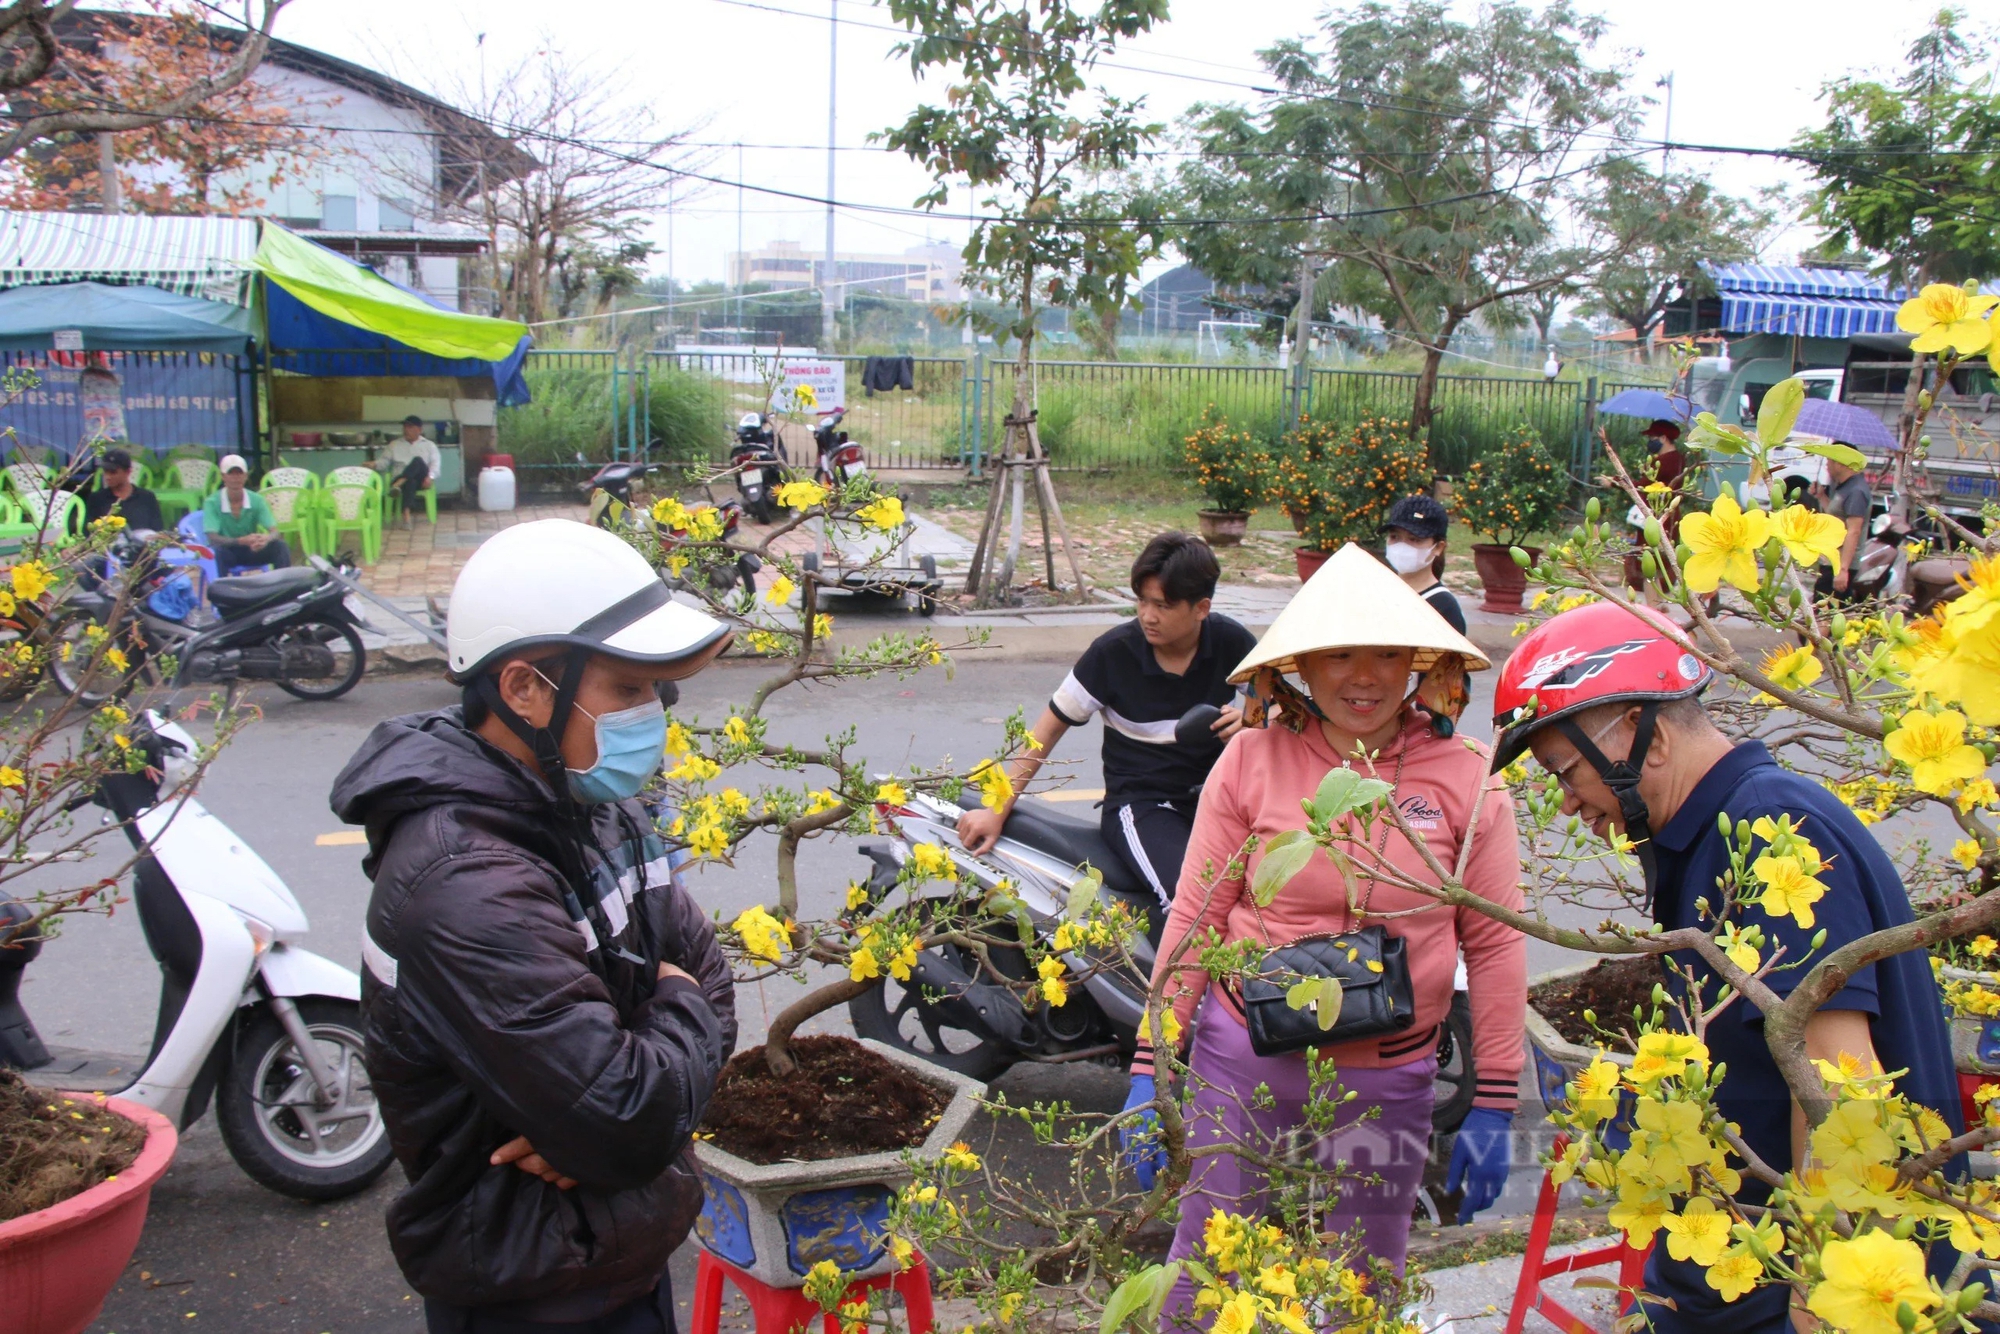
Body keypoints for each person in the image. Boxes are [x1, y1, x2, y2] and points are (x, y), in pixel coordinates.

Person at [1491, 601, 1964, 1334]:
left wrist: (1819, 1297)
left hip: (1807, 1288)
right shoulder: (1714, 830)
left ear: (1639, 739)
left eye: (1565, 770)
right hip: (1735, 1269)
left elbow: (1842, 1087)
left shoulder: (1772, 830)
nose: (1565, 804)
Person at [330, 519, 737, 1334]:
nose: (651, 715)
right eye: (627, 690)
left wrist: (605, 1104)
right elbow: (625, 1118)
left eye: (658, 692)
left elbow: (712, 982)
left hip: (620, 1256)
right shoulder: (462, 879)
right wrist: (642, 1064)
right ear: (523, 690)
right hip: (531, 1290)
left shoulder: (595, 803)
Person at [1121, 544, 1527, 1323]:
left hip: (1390, 1073)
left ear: (1419, 660)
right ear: (1300, 666)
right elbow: (1198, 913)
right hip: (1242, 1058)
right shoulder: (1250, 761)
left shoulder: (1469, 777)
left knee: (1364, 1274)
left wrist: (1496, 1100)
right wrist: (1152, 1062)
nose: (1365, 676)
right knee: (1208, 1261)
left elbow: (1498, 942)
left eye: (1385, 653)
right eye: (1338, 654)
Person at [955, 531, 1256, 909]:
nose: (1148, 616)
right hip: (1141, 806)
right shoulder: (1113, 654)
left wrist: (1254, 719)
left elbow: (1284, 711)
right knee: (1196, 901)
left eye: (1162, 605)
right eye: (1142, 601)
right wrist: (996, 811)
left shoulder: (1232, 644)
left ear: (1201, 608)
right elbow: (1047, 729)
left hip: (1217, 801)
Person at [1380, 494, 1465, 633]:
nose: (1402, 547)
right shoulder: (1379, 593)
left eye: (1414, 539)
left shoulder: (1444, 607)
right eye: (1394, 537)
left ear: (1438, 547)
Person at [202, 455, 291, 575]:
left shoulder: (257, 500)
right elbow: (212, 537)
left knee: (280, 546)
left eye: (239, 473)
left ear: (245, 476)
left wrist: (265, 539)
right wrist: (239, 541)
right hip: (228, 551)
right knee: (217, 552)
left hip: (252, 549)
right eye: (231, 474)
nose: (235, 478)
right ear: (223, 477)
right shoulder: (212, 502)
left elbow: (275, 531)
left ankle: (284, 588)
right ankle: (220, 590)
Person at [1813, 451, 1871, 602]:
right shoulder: (1845, 487)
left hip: (1839, 565)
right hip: (1831, 560)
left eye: (1829, 461)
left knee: (1825, 613)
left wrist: (1843, 570)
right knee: (1823, 610)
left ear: (1840, 463)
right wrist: (1821, 496)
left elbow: (1854, 531)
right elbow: (1836, 517)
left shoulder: (1856, 491)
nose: (1826, 465)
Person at [83, 448, 163, 531]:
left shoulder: (147, 498)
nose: (108, 477)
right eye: (105, 472)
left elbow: (158, 529)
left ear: (128, 472)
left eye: (113, 472)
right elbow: (88, 533)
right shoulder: (97, 499)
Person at [382, 414, 441, 523]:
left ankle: (397, 485)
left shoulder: (429, 445)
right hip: (401, 478)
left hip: (422, 480)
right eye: (405, 427)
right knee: (410, 481)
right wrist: (373, 464)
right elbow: (384, 462)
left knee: (418, 460)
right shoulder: (394, 444)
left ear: (419, 429)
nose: (406, 430)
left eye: (410, 427)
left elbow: (435, 466)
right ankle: (406, 515)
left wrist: (430, 477)